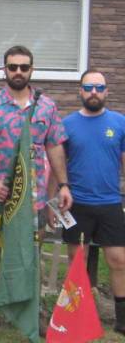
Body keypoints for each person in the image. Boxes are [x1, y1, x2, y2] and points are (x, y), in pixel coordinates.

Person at [0, 45, 72, 339]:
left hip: (34, 197)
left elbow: (54, 146)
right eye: (12, 67)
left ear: (31, 70)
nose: (18, 72)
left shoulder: (47, 107)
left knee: (31, 252)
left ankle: (30, 308)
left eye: (23, 67)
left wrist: (63, 185)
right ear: (4, 70)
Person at [49, 70, 125, 335]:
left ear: (106, 92)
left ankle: (121, 318)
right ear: (80, 91)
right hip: (77, 203)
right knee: (76, 260)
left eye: (99, 87)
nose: (94, 92)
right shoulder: (66, 125)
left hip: (110, 203)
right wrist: (52, 200)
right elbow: (55, 165)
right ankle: (78, 313)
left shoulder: (119, 123)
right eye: (88, 87)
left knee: (118, 260)